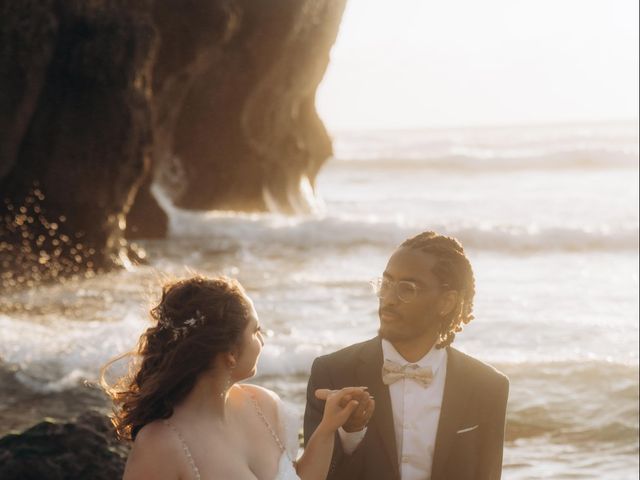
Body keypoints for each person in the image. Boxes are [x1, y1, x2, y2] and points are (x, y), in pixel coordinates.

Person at [102, 275, 370, 480]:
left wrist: (328, 427)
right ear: (230, 352)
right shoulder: (161, 443)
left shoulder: (263, 404)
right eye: (255, 331)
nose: (262, 341)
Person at [304, 231, 510, 480]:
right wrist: (351, 432)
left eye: (407, 289)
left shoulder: (487, 386)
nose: (388, 299)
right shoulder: (332, 373)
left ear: (447, 302)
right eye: (386, 284)